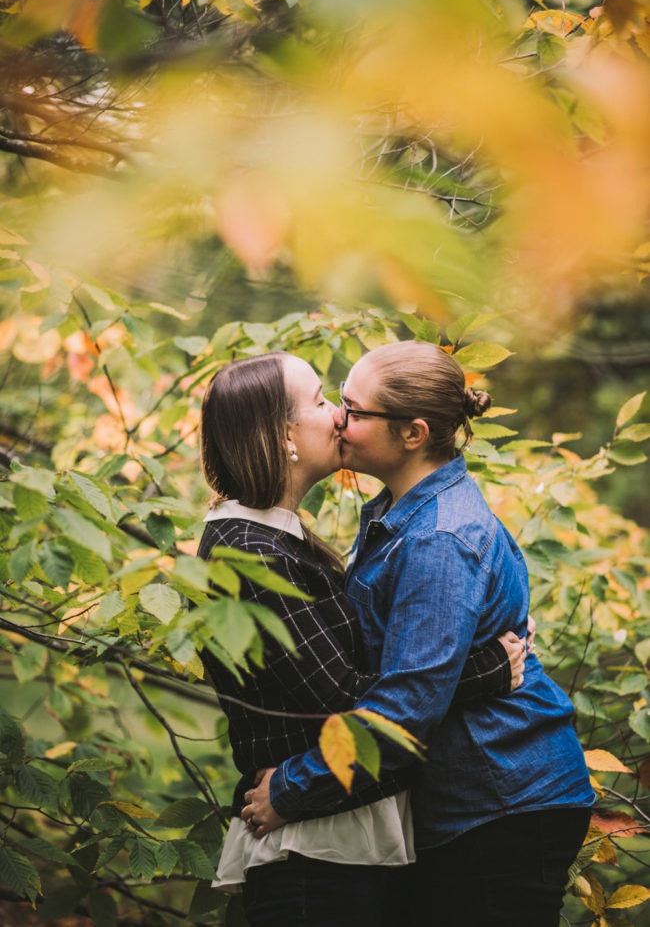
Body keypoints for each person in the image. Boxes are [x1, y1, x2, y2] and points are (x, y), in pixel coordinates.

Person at [241, 341, 595, 927]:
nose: (337, 419)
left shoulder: (437, 537)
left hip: (501, 799)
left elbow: (407, 706)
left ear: (413, 434)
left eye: (353, 409)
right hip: (465, 801)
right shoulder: (400, 513)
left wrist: (292, 791)